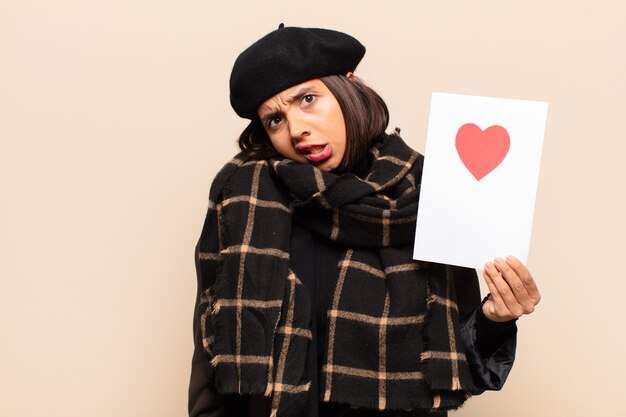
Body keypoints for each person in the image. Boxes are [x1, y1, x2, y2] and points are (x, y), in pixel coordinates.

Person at [189, 25, 541, 417]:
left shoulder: (428, 190)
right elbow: (210, 352)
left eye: (308, 99)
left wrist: (495, 318)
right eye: (275, 120)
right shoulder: (244, 197)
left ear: (348, 87)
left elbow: (458, 358)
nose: (296, 129)